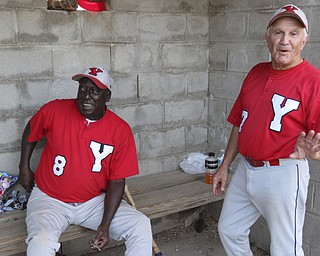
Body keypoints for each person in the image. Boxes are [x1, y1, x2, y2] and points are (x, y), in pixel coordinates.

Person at [212, 4, 320, 256]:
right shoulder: (256, 72)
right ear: (267, 37)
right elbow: (240, 122)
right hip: (246, 169)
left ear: (304, 40)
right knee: (229, 229)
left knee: (285, 249)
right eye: (278, 33)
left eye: (294, 34)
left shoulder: (314, 81)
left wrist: (314, 154)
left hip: (283, 174)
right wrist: (225, 165)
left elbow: (317, 148)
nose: (285, 41)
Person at [18, 67, 153, 256]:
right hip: (49, 199)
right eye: (83, 89)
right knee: (41, 243)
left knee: (140, 224)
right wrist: (24, 166)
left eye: (95, 91)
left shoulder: (120, 130)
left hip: (94, 202)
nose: (86, 96)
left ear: (107, 96)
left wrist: (104, 226)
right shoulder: (55, 109)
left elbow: (117, 181)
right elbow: (31, 130)